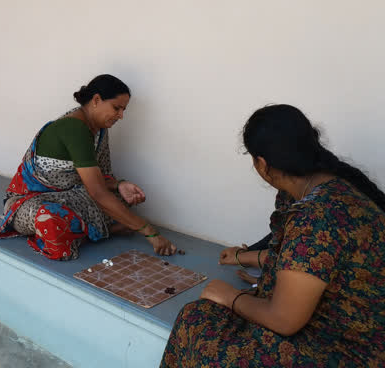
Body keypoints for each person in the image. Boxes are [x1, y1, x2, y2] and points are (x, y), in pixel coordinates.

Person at [161, 104, 385, 367]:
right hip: (341, 328)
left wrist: (231, 296)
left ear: (262, 164)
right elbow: (310, 261)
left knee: (197, 321)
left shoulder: (315, 216)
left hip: (344, 350)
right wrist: (246, 257)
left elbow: (284, 320)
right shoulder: (330, 186)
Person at [0, 74, 176, 260]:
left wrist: (119, 185)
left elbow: (99, 176)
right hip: (29, 201)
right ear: (96, 100)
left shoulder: (99, 130)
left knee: (119, 201)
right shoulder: (75, 128)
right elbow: (97, 193)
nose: (121, 116)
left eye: (123, 110)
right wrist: (149, 232)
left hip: (71, 193)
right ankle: (103, 231)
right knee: (50, 218)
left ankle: (89, 231)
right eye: (117, 108)